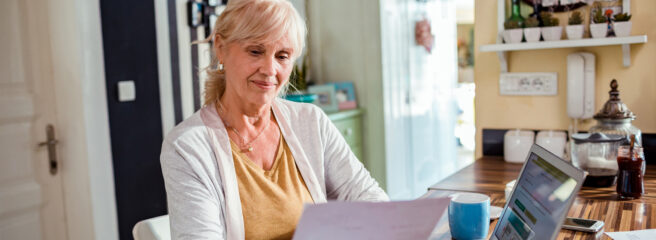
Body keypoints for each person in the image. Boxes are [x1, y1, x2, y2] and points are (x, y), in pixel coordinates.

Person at [160, 0, 388, 239]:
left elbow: (369, 196)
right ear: (220, 47)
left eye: (282, 56)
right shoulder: (187, 147)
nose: (270, 69)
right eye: (255, 51)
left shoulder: (310, 121)